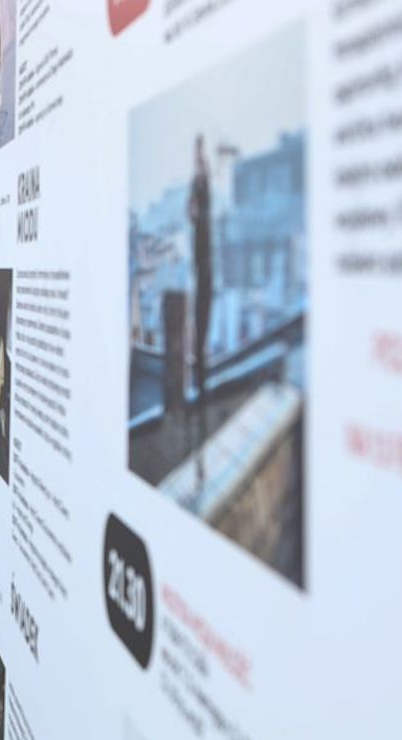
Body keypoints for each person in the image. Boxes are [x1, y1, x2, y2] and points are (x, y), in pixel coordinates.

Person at [187, 134, 213, 490]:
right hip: (201, 270)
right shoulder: (197, 189)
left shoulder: (203, 190)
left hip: (206, 270)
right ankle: (200, 378)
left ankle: (202, 379)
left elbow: (195, 211)